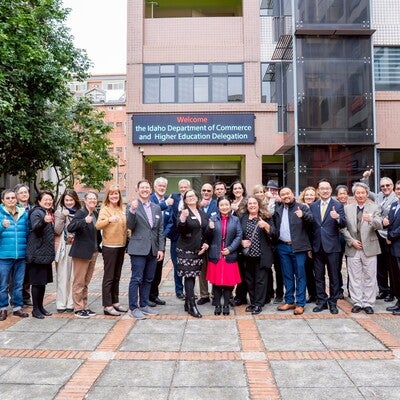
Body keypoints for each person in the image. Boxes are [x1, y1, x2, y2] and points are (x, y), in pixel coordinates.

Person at [341, 182, 382, 315]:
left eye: (363, 192)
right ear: (354, 194)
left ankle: (368, 303)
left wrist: (371, 220)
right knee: (354, 276)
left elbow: (380, 225)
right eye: (357, 193)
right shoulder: (347, 208)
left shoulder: (375, 207)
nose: (360, 195)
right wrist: (351, 241)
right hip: (353, 247)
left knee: (370, 276)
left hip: (369, 246)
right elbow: (343, 227)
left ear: (366, 194)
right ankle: (357, 302)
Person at [126, 179, 165, 320]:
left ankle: (144, 304)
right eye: (142, 187)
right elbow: (130, 225)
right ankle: (133, 307)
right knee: (136, 278)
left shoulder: (156, 207)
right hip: (138, 249)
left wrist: (161, 248)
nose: (145, 190)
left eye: (147, 187)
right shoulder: (133, 206)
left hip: (153, 249)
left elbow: (160, 230)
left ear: (150, 190)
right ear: (137, 190)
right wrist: (132, 210)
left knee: (149, 279)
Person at [274, 187, 313, 315]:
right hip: (283, 247)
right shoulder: (278, 209)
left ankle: (300, 303)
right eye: (283, 194)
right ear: (280, 196)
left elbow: (312, 222)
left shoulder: (302, 207)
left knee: (300, 275)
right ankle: (289, 300)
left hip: (299, 247)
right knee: (287, 275)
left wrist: (304, 216)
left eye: (288, 193)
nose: (286, 196)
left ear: (293, 194)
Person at [310, 180, 346, 314]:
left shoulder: (337, 205)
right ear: (318, 190)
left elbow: (344, 223)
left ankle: (333, 303)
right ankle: (321, 301)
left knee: (334, 276)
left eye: (327, 188)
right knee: (318, 276)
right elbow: (312, 227)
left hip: (332, 247)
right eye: (322, 189)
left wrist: (337, 218)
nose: (324, 191)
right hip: (317, 247)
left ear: (331, 190)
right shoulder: (313, 206)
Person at [364, 172, 397, 302]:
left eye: (387, 185)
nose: (385, 188)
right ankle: (383, 290)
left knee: (391, 266)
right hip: (378, 235)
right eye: (382, 186)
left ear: (392, 186)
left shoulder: (396, 199)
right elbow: (368, 192)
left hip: (389, 237)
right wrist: (366, 178)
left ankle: (393, 292)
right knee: (380, 265)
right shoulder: (379, 196)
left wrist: (378, 220)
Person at [207, 196, 242, 316]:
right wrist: (210, 229)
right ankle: (217, 304)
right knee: (216, 282)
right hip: (216, 254)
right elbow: (207, 236)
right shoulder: (212, 219)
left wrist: (230, 249)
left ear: (230, 205)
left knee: (228, 282)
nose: (224, 207)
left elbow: (239, 236)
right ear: (218, 207)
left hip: (229, 254)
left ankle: (226, 304)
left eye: (226, 204)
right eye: (222, 205)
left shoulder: (236, 220)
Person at [95, 186, 128, 316]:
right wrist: (108, 220)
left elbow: (125, 226)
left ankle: (115, 301)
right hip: (109, 247)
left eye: (117, 194)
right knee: (109, 277)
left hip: (121, 246)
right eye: (112, 194)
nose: (114, 196)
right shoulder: (105, 210)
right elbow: (98, 225)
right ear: (108, 196)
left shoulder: (122, 209)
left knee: (117, 276)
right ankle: (107, 305)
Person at [177, 189, 209, 318]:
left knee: (193, 275)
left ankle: (186, 303)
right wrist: (183, 219)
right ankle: (192, 306)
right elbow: (181, 230)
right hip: (186, 250)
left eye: (192, 196)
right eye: (187, 197)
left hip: (199, 250)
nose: (190, 198)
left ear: (197, 197)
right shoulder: (183, 213)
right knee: (189, 277)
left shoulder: (202, 213)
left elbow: (205, 230)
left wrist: (206, 244)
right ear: (185, 200)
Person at [68, 191, 100, 319]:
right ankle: (78, 308)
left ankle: (85, 306)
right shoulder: (81, 213)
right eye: (90, 199)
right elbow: (70, 227)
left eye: (94, 199)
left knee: (86, 281)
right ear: (85, 201)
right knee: (79, 281)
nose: (92, 201)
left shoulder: (96, 213)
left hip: (93, 251)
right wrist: (83, 221)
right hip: (81, 252)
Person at [240, 196, 274, 315]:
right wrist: (241, 242)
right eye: (250, 204)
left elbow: (275, 234)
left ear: (259, 205)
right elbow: (238, 234)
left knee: (260, 281)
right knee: (249, 280)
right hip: (247, 256)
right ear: (247, 206)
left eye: (254, 203)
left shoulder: (266, 217)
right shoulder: (243, 218)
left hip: (262, 255)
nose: (252, 205)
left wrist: (266, 226)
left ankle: (259, 304)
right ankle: (253, 302)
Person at [0, 189, 29, 321]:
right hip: (4, 256)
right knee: (3, 284)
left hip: (21, 256)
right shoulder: (0, 214)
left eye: (13, 197)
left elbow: (28, 232)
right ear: (3, 200)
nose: (11, 200)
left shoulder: (24, 214)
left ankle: (17, 307)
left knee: (19, 284)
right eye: (8, 198)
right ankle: (3, 308)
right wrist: (2, 226)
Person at [26, 191, 56, 319]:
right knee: (37, 283)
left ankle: (41, 307)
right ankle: (35, 310)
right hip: (37, 254)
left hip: (45, 254)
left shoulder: (47, 212)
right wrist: (44, 221)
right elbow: (36, 227)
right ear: (39, 201)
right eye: (45, 199)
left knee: (42, 283)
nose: (48, 201)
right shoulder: (36, 212)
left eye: (50, 199)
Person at [54, 189, 81, 313]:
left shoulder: (80, 213)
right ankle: (61, 303)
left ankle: (71, 302)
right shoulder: (59, 212)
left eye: (71, 200)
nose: (69, 202)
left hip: (77, 247)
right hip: (63, 247)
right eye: (66, 200)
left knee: (74, 276)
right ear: (63, 201)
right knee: (62, 276)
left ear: (75, 200)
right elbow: (57, 230)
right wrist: (62, 217)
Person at [149, 177, 174, 307]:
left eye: (164, 185)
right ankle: (146, 296)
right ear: (155, 187)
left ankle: (154, 295)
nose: (162, 187)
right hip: (150, 241)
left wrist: (163, 234)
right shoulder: (151, 199)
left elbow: (170, 221)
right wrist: (166, 204)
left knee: (158, 270)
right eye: (160, 185)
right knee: (149, 270)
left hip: (161, 240)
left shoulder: (166, 201)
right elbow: (151, 211)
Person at [169, 179, 191, 300]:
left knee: (189, 265)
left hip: (189, 238)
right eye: (181, 187)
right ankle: (179, 290)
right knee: (177, 264)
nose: (183, 189)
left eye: (185, 187)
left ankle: (189, 291)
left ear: (189, 188)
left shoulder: (192, 198)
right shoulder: (174, 197)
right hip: (176, 237)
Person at [197, 183, 218, 306]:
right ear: (201, 191)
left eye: (209, 190)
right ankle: (204, 295)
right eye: (204, 190)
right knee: (202, 270)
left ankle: (215, 294)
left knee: (214, 269)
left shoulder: (216, 204)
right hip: (200, 243)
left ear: (213, 192)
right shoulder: (196, 205)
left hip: (214, 242)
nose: (206, 192)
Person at [298, 186, 319, 303]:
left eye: (311, 195)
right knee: (307, 272)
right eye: (307, 195)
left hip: (316, 244)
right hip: (304, 245)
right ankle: (312, 294)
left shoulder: (317, 208)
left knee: (318, 271)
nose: (309, 197)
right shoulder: (300, 208)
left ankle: (319, 294)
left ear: (315, 196)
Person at [264, 179, 284, 304]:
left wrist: (277, 200)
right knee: (266, 268)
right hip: (266, 241)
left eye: (275, 190)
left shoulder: (281, 203)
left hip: (278, 241)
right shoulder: (262, 203)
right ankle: (269, 291)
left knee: (279, 269)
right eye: (270, 189)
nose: (272, 192)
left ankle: (280, 293)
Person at [14, 183, 32, 306]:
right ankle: (16, 299)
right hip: (17, 244)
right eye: (21, 192)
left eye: (26, 192)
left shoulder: (33, 208)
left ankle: (26, 297)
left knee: (28, 272)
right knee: (15, 274)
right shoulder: (13, 209)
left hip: (31, 244)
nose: (24, 194)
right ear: (16, 195)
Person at [383, 180, 400, 316]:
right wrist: (384, 223)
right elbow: (390, 222)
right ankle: (399, 302)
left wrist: (391, 236)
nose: (399, 191)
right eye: (398, 189)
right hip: (393, 247)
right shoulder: (394, 205)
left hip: (396, 243)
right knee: (396, 276)